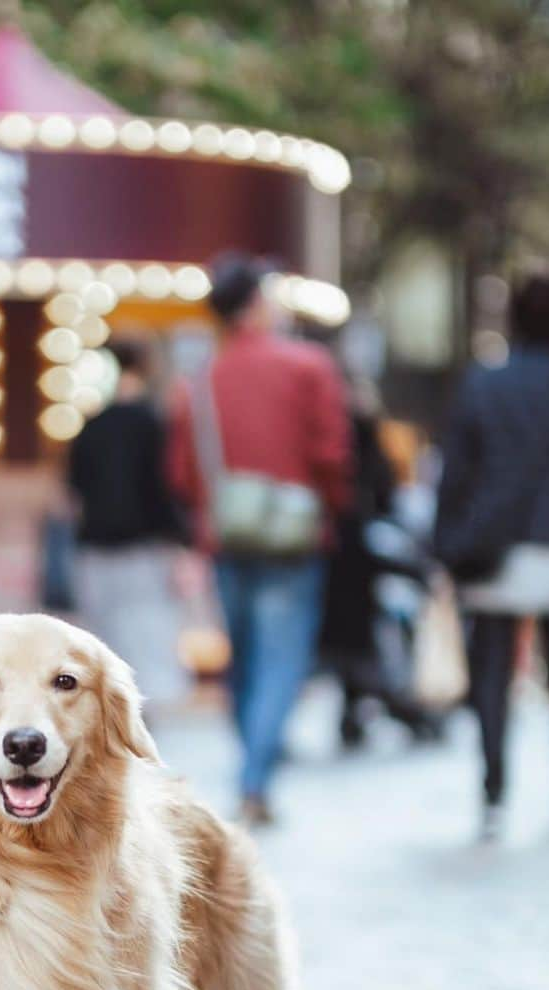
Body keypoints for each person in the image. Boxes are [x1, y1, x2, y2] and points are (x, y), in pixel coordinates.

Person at [168, 254, 351, 825]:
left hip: (226, 535)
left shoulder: (198, 383)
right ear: (255, 304)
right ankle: (255, 779)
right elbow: (332, 455)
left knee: (242, 661)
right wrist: (329, 506)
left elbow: (181, 472)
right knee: (280, 661)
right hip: (294, 536)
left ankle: (252, 768)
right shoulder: (308, 367)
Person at [435, 267, 549, 839]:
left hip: (489, 548)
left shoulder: (482, 384)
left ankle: (494, 793)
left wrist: (446, 545)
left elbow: (456, 474)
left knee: (490, 673)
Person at [67, 339, 189, 706]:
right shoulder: (154, 424)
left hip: (95, 547)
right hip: (143, 548)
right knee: (147, 633)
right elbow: (167, 488)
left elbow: (74, 491)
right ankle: (139, 709)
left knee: (102, 635)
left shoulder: (91, 428)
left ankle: (110, 707)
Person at [321, 385, 440, 746]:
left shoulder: (334, 440)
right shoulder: (369, 441)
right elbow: (387, 495)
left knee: (356, 646)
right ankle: (389, 710)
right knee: (372, 644)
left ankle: (359, 713)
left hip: (338, 558)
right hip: (363, 558)